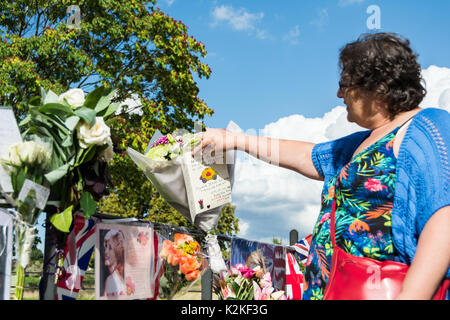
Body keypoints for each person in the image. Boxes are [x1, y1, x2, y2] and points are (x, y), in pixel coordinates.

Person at [192, 32, 450, 300]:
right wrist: (235, 140)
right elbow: (306, 155)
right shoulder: (360, 143)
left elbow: (443, 220)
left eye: (345, 84)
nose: (339, 93)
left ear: (378, 86)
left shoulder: (427, 126)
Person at [103, 229, 126, 297]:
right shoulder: (110, 280)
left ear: (117, 252)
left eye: (110, 248)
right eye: (106, 246)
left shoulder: (111, 280)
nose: (106, 252)